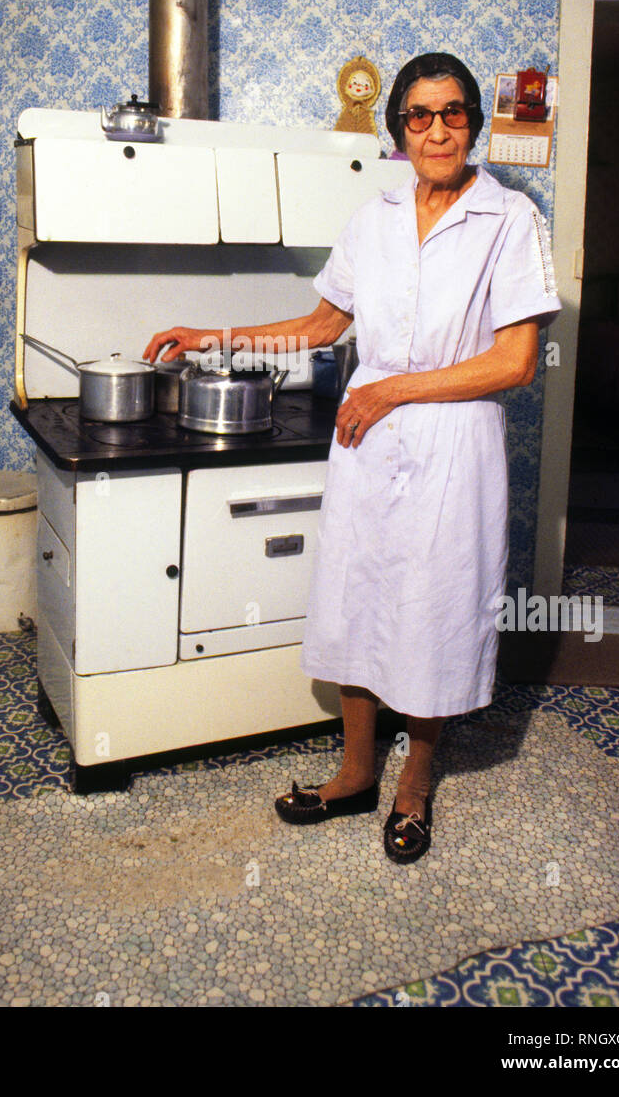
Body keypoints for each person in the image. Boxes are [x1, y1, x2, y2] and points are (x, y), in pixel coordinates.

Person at [143, 52, 561, 864]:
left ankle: (416, 784)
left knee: (435, 613)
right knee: (360, 603)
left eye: (454, 113)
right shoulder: (373, 219)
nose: (437, 129)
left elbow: (513, 363)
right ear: (398, 130)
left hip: (451, 448)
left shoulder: (510, 220)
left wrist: (395, 389)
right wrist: (211, 336)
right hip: (369, 447)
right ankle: (356, 773)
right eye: (419, 115)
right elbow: (320, 326)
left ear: (473, 123)